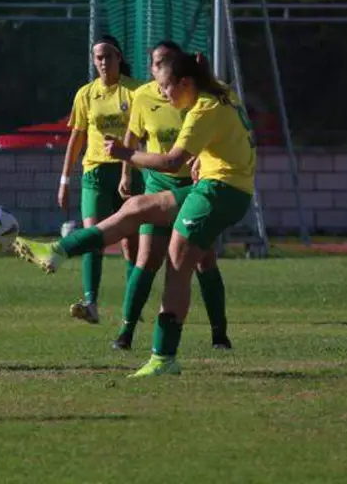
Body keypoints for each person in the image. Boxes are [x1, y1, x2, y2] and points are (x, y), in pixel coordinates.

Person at [16, 50, 255, 377]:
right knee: (136, 206)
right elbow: (220, 125)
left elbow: (173, 162)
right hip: (219, 187)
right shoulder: (221, 90)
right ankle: (57, 250)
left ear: (186, 82)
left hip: (221, 192)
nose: (165, 96)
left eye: (167, 88)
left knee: (176, 260)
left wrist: (128, 153)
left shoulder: (203, 109)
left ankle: (163, 357)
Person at [114, 40, 231, 351]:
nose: (160, 66)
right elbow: (133, 135)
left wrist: (203, 160)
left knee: (203, 259)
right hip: (157, 184)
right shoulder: (142, 96)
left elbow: (208, 134)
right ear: (152, 68)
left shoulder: (194, 96)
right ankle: (126, 332)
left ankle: (219, 334)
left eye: (167, 60)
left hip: (194, 187)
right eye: (156, 62)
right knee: (148, 257)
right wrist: (126, 172)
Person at [56, 35, 144, 324]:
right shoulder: (85, 94)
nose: (103, 62)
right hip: (94, 172)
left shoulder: (136, 91)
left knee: (131, 243)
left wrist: (131, 168)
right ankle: (90, 303)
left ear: (119, 58)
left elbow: (145, 134)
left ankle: (134, 306)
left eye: (108, 56)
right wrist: (65, 179)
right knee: (93, 236)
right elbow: (76, 138)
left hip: (130, 172)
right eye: (98, 57)